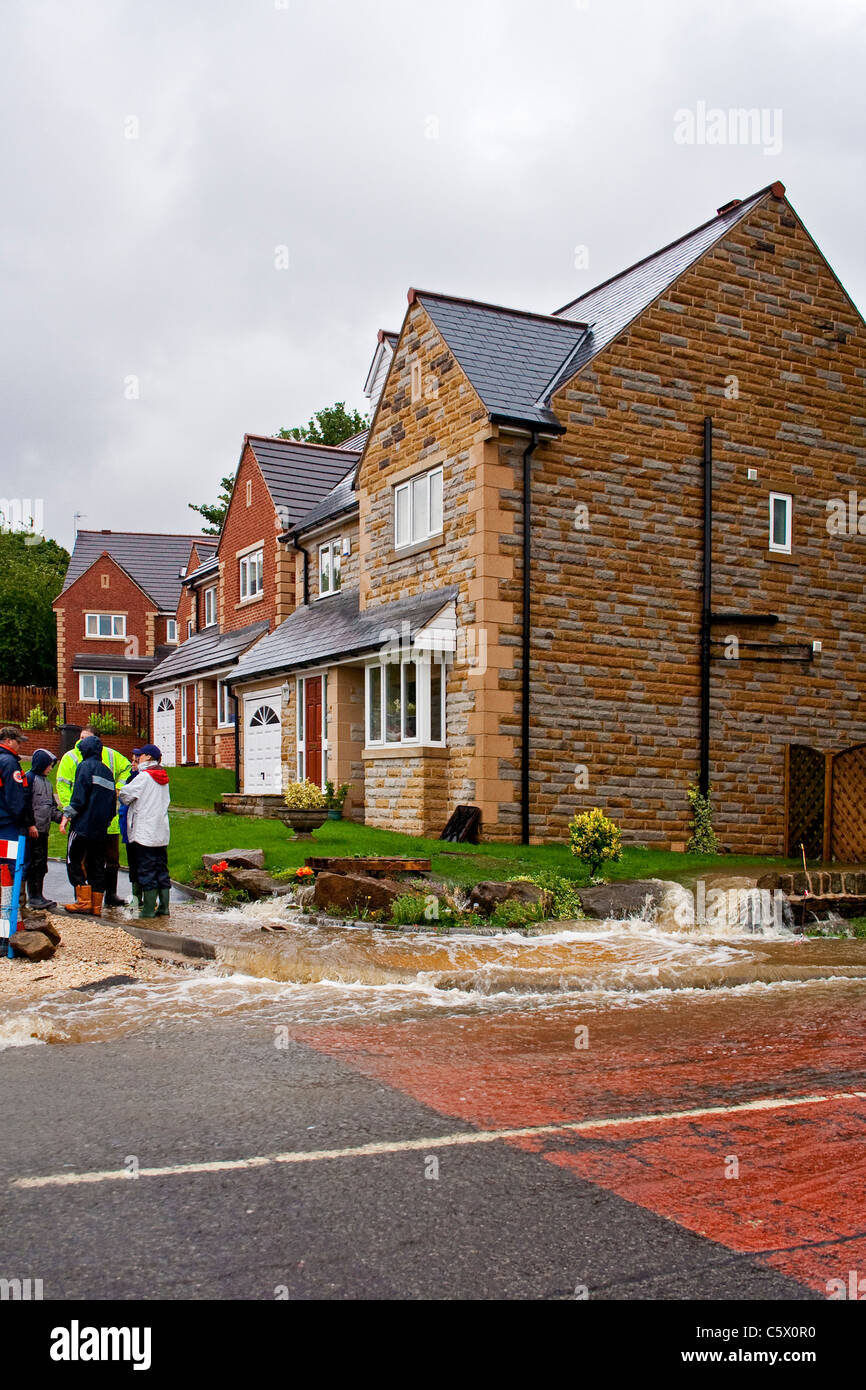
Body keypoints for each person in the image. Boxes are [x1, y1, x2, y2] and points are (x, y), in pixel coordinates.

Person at [56, 726, 131, 907]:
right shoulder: (106, 770)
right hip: (101, 827)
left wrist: (68, 815)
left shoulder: (84, 765)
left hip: (82, 824)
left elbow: (79, 797)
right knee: (98, 864)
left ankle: (83, 901)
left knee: (74, 860)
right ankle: (97, 904)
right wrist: (106, 819)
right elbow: (110, 803)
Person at [117, 744, 170, 919]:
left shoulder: (144, 777)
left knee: (147, 870)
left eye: (140, 755)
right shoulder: (163, 776)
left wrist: (119, 791)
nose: (137, 759)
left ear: (148, 757)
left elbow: (125, 795)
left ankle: (147, 910)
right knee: (161, 869)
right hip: (161, 831)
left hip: (144, 832)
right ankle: (164, 907)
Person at [0, 726, 36, 923]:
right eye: (18, 741)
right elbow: (16, 797)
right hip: (9, 822)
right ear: (8, 741)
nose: (20, 745)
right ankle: (13, 914)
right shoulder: (9, 762)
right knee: (14, 864)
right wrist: (26, 822)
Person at [25, 749, 63, 910]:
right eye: (48, 765)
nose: (50, 769)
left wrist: (61, 818)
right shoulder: (30, 778)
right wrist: (30, 824)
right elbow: (25, 803)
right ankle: (34, 896)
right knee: (35, 863)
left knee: (41, 864)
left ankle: (38, 895)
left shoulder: (47, 782)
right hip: (34, 830)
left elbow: (50, 807)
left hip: (43, 829)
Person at [118, 749, 141, 905]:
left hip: (137, 828)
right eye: (132, 760)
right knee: (133, 863)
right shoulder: (130, 778)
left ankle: (139, 897)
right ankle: (136, 896)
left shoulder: (141, 779)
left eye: (136, 761)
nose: (132, 764)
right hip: (127, 825)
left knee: (139, 863)